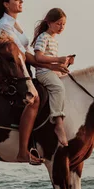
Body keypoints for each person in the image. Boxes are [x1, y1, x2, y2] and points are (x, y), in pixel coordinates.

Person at [0, 0, 69, 164]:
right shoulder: (4, 25)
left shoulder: (14, 23)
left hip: (22, 67)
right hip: (12, 71)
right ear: (6, 4)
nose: (21, 2)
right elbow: (23, 56)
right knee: (33, 100)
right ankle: (22, 151)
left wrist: (55, 65)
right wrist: (54, 62)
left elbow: (29, 55)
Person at [32, 8, 75, 147]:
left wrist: (65, 62)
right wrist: (58, 59)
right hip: (43, 72)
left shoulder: (54, 40)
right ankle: (58, 121)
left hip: (51, 71)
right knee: (58, 88)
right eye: (58, 23)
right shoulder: (43, 37)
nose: (61, 27)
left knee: (70, 81)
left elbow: (51, 59)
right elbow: (39, 57)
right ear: (49, 23)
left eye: (63, 24)